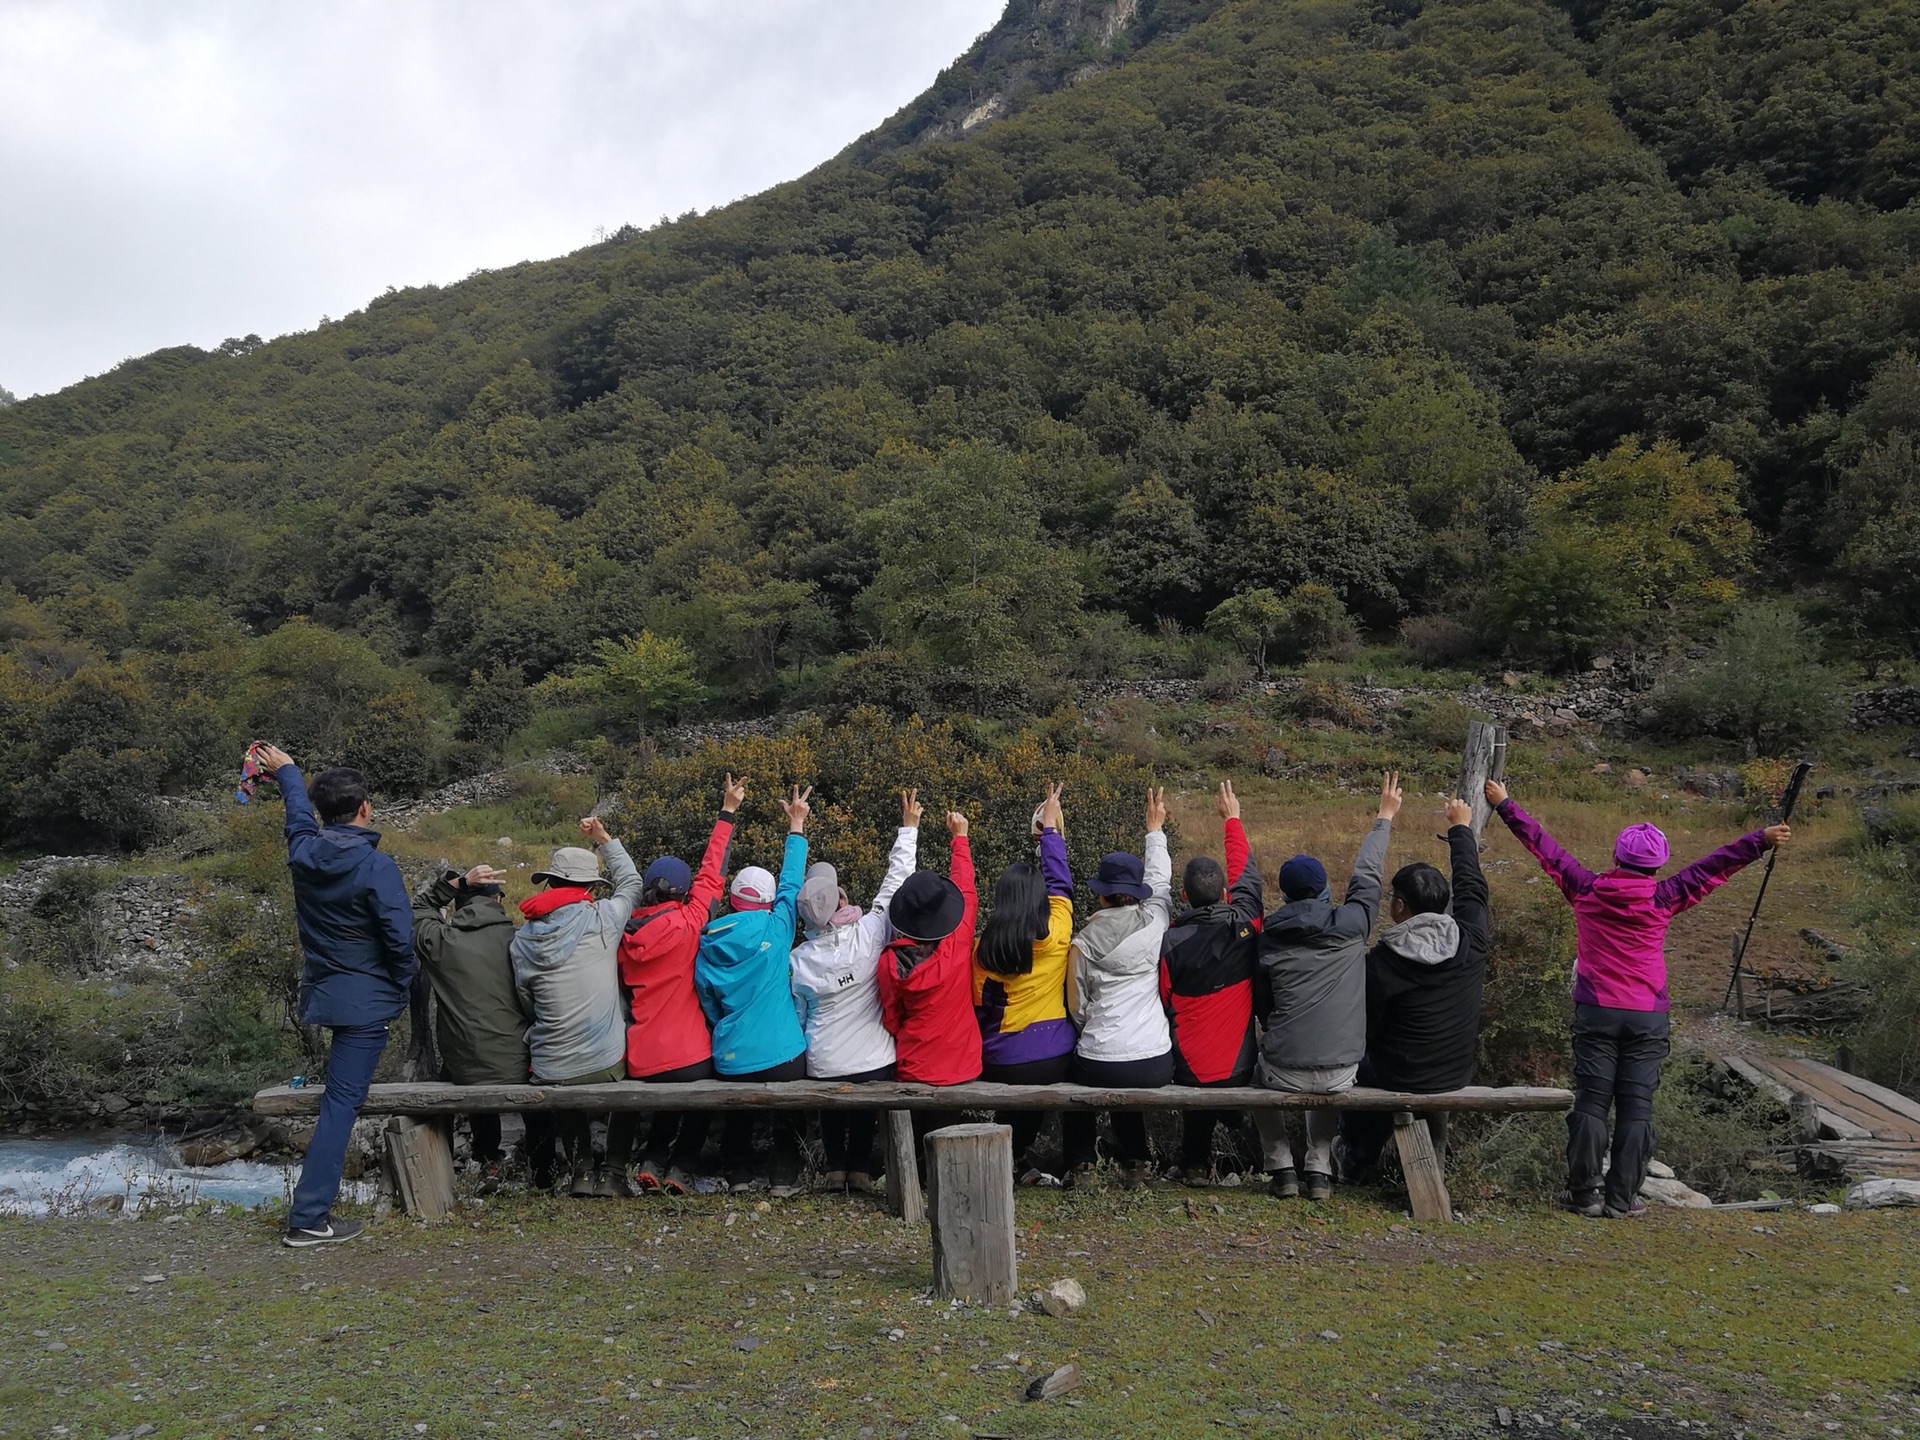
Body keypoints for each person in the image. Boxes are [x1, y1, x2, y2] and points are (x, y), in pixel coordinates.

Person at [1486, 777, 1790, 1218]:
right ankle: (1622, 1199)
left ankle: (1583, 1194)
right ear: (1659, 863)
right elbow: (1713, 866)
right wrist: (1759, 840)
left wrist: (1505, 805)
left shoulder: (1585, 889)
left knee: (1592, 1101)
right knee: (1636, 1106)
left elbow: (1545, 848)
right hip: (1647, 1015)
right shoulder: (1665, 896)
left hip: (1596, 1011)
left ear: (1616, 856)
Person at [256, 745, 414, 1248]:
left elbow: (297, 820)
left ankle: (311, 1214)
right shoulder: (376, 866)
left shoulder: (304, 854)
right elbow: (399, 940)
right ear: (365, 808)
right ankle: (308, 1217)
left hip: (327, 994)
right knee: (340, 1105)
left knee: (338, 1100)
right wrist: (403, 983)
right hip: (367, 1002)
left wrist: (288, 775)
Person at [1254, 771, 1400, 1202]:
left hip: (1281, 1071)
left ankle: (1280, 1163)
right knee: (1328, 1074)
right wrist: (1383, 818)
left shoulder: (1268, 938)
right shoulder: (1353, 925)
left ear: (1283, 894)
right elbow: (1367, 877)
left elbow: (1263, 1009)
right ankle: (1318, 1165)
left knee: (1248, 1071)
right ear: (1323, 890)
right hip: (1342, 1072)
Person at [1336, 795, 1489, 1183]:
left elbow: (1363, 1029)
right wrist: (1460, 829)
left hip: (1400, 1073)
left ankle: (1356, 1158)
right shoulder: (1471, 940)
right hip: (1455, 1072)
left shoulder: (1383, 961)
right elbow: (1472, 886)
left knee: (1356, 1066)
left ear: (1400, 907)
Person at [619, 774, 745, 1195]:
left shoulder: (624, 938)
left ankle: (653, 1157)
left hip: (641, 1058)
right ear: (681, 890)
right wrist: (727, 812)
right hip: (688, 1055)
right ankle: (682, 1166)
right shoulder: (690, 923)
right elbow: (713, 872)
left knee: (666, 1093)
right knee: (699, 1095)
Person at [789, 789, 921, 1193]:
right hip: (873, 1062)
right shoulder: (869, 934)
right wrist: (909, 828)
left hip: (823, 1062)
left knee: (832, 1086)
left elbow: (798, 1017)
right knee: (866, 1093)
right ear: (841, 901)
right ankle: (861, 1168)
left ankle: (834, 1168)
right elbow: (896, 882)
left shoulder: (798, 960)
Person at [512, 816, 643, 1199]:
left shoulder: (522, 940)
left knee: (559, 1071)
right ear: (591, 887)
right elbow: (632, 882)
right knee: (637, 1074)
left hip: (552, 1064)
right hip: (605, 1061)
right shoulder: (604, 920)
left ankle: (582, 1170)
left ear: (549, 882)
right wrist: (604, 839)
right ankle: (614, 1171)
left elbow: (527, 1001)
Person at [411, 861, 558, 1190]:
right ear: (497, 901)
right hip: (517, 1062)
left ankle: (489, 1161)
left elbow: (420, 907)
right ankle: (545, 1171)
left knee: (467, 1063)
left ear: (459, 905)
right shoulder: (520, 940)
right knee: (528, 1072)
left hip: (466, 1068)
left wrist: (455, 884)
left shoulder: (441, 940)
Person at [696, 786, 812, 1197]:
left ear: (730, 899)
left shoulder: (707, 940)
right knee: (787, 1113)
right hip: (783, 1055)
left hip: (730, 1057)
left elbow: (708, 1001)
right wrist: (795, 824)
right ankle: (784, 1175)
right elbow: (792, 883)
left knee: (738, 1116)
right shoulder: (778, 929)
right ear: (768, 901)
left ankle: (738, 1175)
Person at [1061, 787, 1174, 1190]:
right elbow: (1161, 882)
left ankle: (1081, 1166)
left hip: (1098, 1057)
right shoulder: (1156, 921)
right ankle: (1136, 1164)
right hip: (1155, 1059)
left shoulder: (1083, 942)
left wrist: (1092, 1029)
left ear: (1101, 894)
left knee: (1077, 1079)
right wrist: (1154, 831)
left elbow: (1077, 1007)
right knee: (1131, 1076)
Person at [1159, 780, 1263, 1184]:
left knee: (1198, 1074)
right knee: (1220, 1079)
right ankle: (1247, 1143)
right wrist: (1231, 821)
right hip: (1241, 1067)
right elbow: (1247, 879)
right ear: (1224, 894)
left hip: (1186, 1069)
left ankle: (1195, 1163)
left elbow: (1165, 997)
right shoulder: (1247, 925)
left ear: (1183, 896)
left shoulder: (1170, 942)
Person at [974, 782, 1076, 1186]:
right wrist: (1049, 833)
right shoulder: (1056, 932)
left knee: (1019, 1080)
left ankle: (1010, 1159)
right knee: (1038, 1081)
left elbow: (980, 1007)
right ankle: (1016, 1157)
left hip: (998, 1058)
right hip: (1052, 1054)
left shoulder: (982, 949)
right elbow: (1061, 885)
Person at [877, 809, 981, 1156]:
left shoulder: (890, 960)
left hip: (914, 1064)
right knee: (946, 1133)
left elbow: (891, 1017)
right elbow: (966, 889)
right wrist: (959, 839)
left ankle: (917, 1172)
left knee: (918, 1133)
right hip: (962, 1064)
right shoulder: (958, 943)